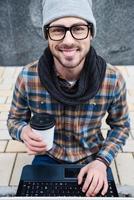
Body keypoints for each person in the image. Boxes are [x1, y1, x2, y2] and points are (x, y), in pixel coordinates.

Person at [7, 0, 130, 197]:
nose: (68, 41)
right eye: (58, 30)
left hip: (93, 157)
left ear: (90, 32)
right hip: (48, 157)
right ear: (47, 34)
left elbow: (121, 127)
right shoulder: (28, 77)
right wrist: (23, 132)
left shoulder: (112, 79)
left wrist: (102, 162)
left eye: (78, 29)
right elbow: (14, 121)